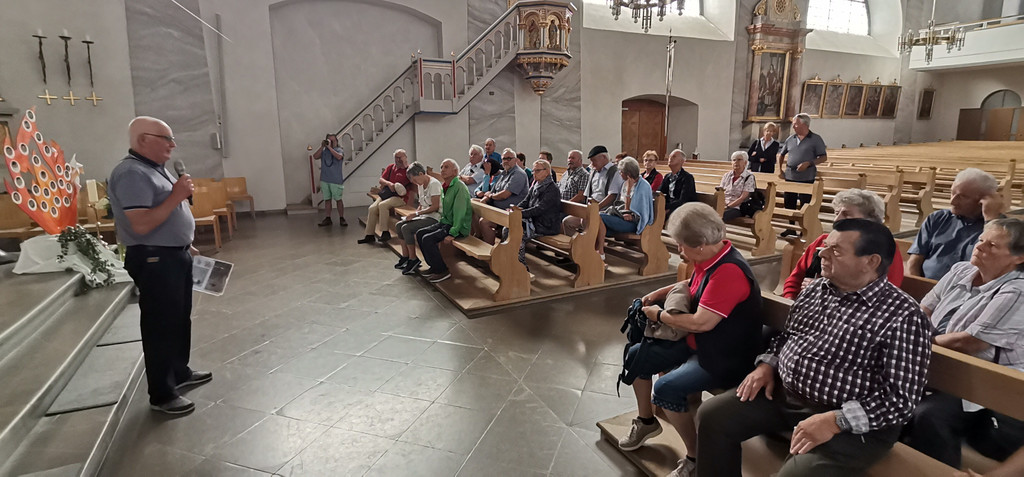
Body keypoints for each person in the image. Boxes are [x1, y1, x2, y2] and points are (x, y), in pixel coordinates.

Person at [696, 219, 932, 477]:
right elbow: (788, 337)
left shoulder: (903, 316)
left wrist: (836, 420)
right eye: (825, 246)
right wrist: (767, 365)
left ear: (871, 261)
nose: (822, 253)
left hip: (852, 422)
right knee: (713, 416)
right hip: (786, 396)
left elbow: (899, 400)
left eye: (836, 250)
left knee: (796, 475)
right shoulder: (818, 289)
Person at [617, 202, 762, 477]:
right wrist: (660, 293)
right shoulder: (711, 256)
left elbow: (701, 322)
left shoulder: (729, 271)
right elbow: (693, 284)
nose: (679, 248)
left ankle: (696, 457)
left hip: (723, 356)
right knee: (636, 356)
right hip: (700, 343)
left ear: (701, 245)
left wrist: (659, 315)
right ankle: (646, 421)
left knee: (666, 389)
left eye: (681, 244)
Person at [107, 116, 212, 415]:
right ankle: (162, 394)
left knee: (179, 319)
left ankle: (179, 372)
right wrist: (177, 194)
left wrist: (184, 244)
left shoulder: (154, 169)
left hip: (172, 254)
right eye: (166, 138)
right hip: (154, 259)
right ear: (143, 140)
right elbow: (140, 224)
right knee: (160, 325)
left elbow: (165, 215)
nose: (172, 144)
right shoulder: (131, 173)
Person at [904, 218, 1024, 469]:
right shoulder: (961, 270)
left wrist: (918, 343)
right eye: (980, 240)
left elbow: (970, 342)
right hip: (936, 363)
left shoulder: (1017, 290)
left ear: (1018, 258)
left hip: (983, 379)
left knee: (929, 415)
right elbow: (924, 309)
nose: (979, 247)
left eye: (992, 245)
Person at [782, 188, 905, 299]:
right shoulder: (823, 240)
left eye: (847, 215)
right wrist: (790, 302)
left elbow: (884, 294)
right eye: (836, 213)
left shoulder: (885, 248)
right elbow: (795, 280)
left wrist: (821, 289)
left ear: (869, 220)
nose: (837, 219)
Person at [908, 168, 1005, 280]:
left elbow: (992, 266)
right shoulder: (937, 218)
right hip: (925, 286)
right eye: (952, 193)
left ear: (984, 200)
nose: (952, 201)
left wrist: (991, 218)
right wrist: (917, 284)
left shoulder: (1003, 229)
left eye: (963, 197)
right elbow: (914, 262)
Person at [415, 158, 473, 283]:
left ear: (455, 171)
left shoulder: (459, 187)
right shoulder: (445, 186)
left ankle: (442, 271)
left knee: (428, 239)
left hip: (458, 227)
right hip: (446, 223)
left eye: (446, 167)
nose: (442, 170)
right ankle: (434, 266)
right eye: (441, 167)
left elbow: (460, 212)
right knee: (420, 233)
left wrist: (453, 233)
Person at [778, 113, 827, 237]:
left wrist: (809, 163)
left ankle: (803, 229)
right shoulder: (791, 139)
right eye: (793, 124)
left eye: (796, 124)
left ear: (805, 125)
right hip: (790, 176)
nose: (793, 126)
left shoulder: (815, 139)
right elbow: (781, 154)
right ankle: (790, 228)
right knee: (789, 203)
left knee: (805, 204)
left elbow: (823, 157)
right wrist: (780, 170)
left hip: (806, 177)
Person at [506, 159, 562, 265]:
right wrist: (515, 210)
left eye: (537, 171)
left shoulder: (552, 189)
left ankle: (520, 265)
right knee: (508, 228)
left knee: (518, 233)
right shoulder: (536, 184)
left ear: (547, 172)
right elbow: (526, 201)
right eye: (533, 171)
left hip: (545, 225)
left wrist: (520, 214)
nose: (534, 173)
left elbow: (540, 209)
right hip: (534, 221)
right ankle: (510, 259)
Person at [596, 157, 654, 259]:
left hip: (634, 223)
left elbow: (642, 212)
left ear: (628, 173)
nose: (619, 174)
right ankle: (596, 252)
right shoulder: (625, 183)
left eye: (621, 171)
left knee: (598, 217)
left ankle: (600, 252)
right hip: (622, 217)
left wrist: (628, 191)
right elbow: (622, 206)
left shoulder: (643, 186)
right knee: (595, 221)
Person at [562, 145, 624, 234]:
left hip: (605, 210)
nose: (592, 164)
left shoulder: (615, 172)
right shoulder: (594, 172)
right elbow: (587, 194)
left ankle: (590, 242)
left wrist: (596, 208)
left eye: (594, 160)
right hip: (591, 208)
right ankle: (577, 243)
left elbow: (612, 195)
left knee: (586, 221)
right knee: (568, 222)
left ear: (603, 157)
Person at [394, 162, 441, 275]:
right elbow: (421, 203)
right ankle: (405, 256)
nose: (414, 183)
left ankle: (413, 259)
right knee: (399, 225)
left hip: (435, 217)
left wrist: (416, 214)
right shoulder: (421, 184)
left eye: (415, 180)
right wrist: (414, 214)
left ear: (421, 174)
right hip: (424, 215)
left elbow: (435, 206)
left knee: (406, 228)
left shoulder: (434, 184)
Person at [357, 149, 411, 244]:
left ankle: (385, 232)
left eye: (400, 158)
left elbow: (413, 180)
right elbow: (381, 180)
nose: (398, 160)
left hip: (400, 198)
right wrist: (389, 183)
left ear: (405, 157)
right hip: (387, 194)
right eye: (396, 158)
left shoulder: (408, 170)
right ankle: (369, 235)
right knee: (372, 208)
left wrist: (405, 166)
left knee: (383, 205)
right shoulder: (391, 167)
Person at [475, 149, 528, 244]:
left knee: (484, 222)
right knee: (473, 205)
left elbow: (505, 195)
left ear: (515, 160)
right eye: (504, 159)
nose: (506, 161)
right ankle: (478, 239)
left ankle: (489, 248)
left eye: (509, 158)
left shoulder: (518, 174)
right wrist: (484, 199)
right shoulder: (504, 173)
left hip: (510, 212)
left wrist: (491, 196)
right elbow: (492, 191)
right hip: (497, 208)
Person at [315, 133, 347, 226]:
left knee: (338, 199)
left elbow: (339, 157)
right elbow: (315, 156)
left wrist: (329, 147)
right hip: (325, 179)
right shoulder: (324, 151)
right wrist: (322, 146)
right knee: (327, 199)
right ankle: (328, 218)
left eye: (333, 141)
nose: (331, 142)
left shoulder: (339, 150)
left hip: (336, 180)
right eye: (329, 141)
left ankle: (341, 218)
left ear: (336, 141)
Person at [719, 151, 757, 222]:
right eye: (734, 160)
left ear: (745, 162)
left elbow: (742, 197)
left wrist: (728, 206)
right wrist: (721, 205)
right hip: (723, 205)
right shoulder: (727, 175)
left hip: (737, 207)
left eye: (739, 160)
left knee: (720, 216)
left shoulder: (749, 177)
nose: (736, 162)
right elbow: (720, 192)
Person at [660, 149, 697, 217]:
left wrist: (667, 208)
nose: (670, 158)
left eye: (674, 156)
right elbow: (660, 193)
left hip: (683, 208)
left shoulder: (687, 178)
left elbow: (683, 200)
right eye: (669, 156)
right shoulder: (667, 177)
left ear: (682, 161)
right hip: (669, 205)